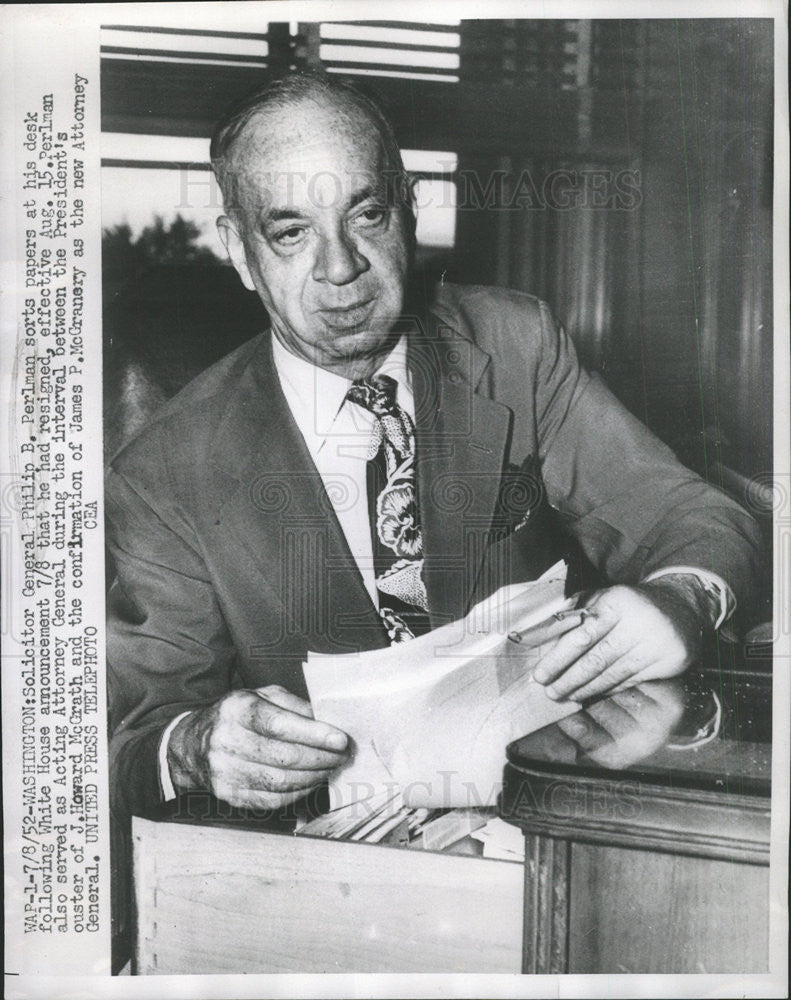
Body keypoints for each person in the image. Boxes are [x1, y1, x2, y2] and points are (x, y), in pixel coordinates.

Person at [106, 72, 760, 822]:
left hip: (543, 818)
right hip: (334, 874)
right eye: (290, 232)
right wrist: (191, 746)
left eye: (367, 213)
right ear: (239, 249)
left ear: (408, 208)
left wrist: (680, 598)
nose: (341, 267)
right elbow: (132, 740)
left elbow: (694, 517)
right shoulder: (162, 470)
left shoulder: (515, 346)